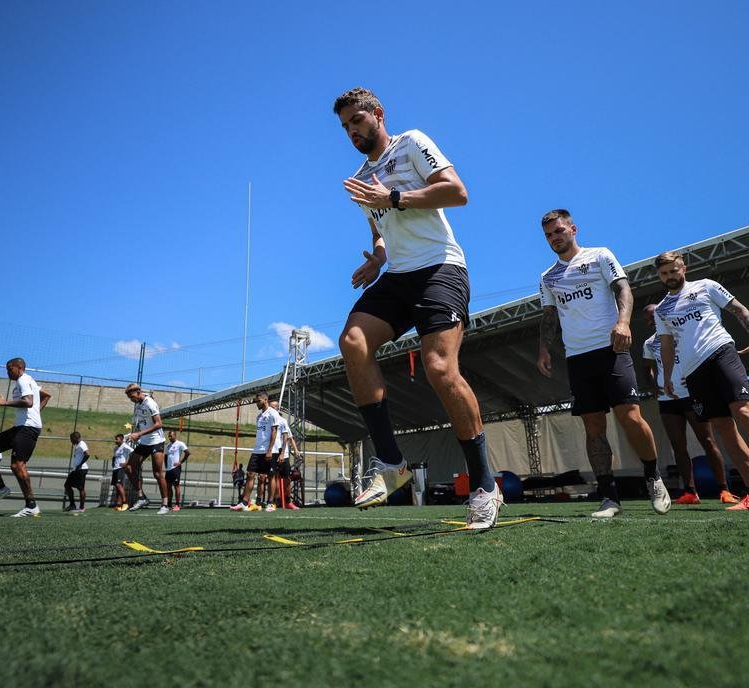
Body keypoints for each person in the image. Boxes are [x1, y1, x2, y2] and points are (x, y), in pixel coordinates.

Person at [333, 87, 502, 530]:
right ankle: (392, 463)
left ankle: (485, 486)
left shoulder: (411, 143)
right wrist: (377, 257)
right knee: (353, 341)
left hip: (441, 268)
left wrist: (393, 198)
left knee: (440, 369)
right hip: (399, 275)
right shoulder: (361, 178)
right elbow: (381, 231)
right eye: (345, 127)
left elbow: (457, 192)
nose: (352, 131)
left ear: (378, 114)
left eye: (357, 121)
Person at [535, 209, 671, 519]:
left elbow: (623, 289)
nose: (554, 238)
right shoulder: (547, 277)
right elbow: (549, 316)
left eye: (559, 231)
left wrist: (623, 323)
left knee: (630, 417)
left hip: (611, 349)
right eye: (548, 235)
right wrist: (544, 349)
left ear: (573, 229)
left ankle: (653, 477)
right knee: (593, 427)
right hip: (577, 358)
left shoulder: (600, 256)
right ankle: (609, 498)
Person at [652, 251, 749, 511]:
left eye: (673, 270)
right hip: (693, 372)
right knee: (723, 427)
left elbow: (740, 310)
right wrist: (669, 376)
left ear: (684, 268)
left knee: (744, 413)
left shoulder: (706, 286)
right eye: (664, 273)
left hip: (721, 352)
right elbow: (667, 346)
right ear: (659, 276)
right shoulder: (661, 310)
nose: (669, 276)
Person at [641, 305, 738, 506]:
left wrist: (696, 379)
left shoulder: (684, 333)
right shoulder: (649, 343)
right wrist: (653, 386)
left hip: (691, 395)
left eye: (654, 315)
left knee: (708, 441)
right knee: (678, 446)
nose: (652, 320)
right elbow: (646, 368)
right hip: (667, 400)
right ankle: (690, 492)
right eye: (648, 318)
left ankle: (724, 489)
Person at [0, 357, 52, 517]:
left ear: (19, 367)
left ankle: (31, 506)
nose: (8, 372)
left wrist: (5, 402)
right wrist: (36, 412)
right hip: (20, 427)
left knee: (17, 466)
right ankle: (0, 487)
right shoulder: (29, 380)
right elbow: (46, 396)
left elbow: (28, 402)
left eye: (10, 369)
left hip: (27, 428)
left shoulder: (23, 380)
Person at [124, 383, 169, 513]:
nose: (131, 400)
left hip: (156, 441)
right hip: (144, 442)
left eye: (132, 397)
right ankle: (141, 497)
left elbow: (159, 424)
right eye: (129, 398)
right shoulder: (138, 404)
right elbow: (144, 423)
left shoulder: (150, 403)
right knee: (129, 467)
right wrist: (135, 434)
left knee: (157, 473)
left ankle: (165, 504)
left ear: (138, 392)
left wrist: (139, 434)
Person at [230, 392, 278, 512]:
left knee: (271, 476)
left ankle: (271, 503)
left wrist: (270, 450)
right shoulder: (259, 416)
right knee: (250, 474)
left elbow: (274, 432)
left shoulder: (273, 413)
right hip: (257, 450)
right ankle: (244, 502)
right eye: (256, 401)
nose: (256, 403)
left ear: (265, 400)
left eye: (258, 401)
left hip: (269, 451)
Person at [269, 400, 301, 510]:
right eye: (270, 407)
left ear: (278, 408)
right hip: (271, 452)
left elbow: (289, 437)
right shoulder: (266, 420)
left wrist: (295, 450)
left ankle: (288, 501)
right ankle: (274, 501)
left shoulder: (283, 421)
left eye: (273, 407)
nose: (271, 409)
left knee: (286, 478)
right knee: (273, 477)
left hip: (283, 453)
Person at [63, 431, 91, 513]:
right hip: (76, 469)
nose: (71, 441)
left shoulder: (82, 444)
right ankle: (72, 505)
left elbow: (87, 454)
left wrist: (79, 465)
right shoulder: (78, 445)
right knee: (67, 485)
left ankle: (82, 507)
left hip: (81, 469)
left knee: (81, 488)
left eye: (71, 439)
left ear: (75, 438)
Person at [163, 429, 189, 512]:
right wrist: (166, 466)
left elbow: (187, 453)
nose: (169, 438)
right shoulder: (168, 445)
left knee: (176, 486)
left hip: (176, 469)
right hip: (168, 470)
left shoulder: (180, 444)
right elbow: (165, 456)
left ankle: (177, 504)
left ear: (175, 435)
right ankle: (169, 504)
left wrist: (180, 462)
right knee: (168, 487)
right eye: (169, 436)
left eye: (171, 436)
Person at [111, 433, 133, 510]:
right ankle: (118, 504)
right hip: (115, 469)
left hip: (121, 468)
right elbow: (114, 457)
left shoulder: (125, 446)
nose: (115, 440)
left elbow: (132, 452)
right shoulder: (116, 448)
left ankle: (125, 503)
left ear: (121, 439)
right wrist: (113, 463)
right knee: (117, 486)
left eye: (117, 439)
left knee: (119, 485)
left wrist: (127, 463)